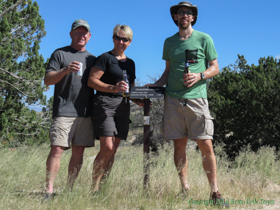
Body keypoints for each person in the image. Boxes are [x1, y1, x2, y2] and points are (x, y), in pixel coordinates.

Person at [145, 1, 228, 205]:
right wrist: (154, 86)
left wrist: (200, 76)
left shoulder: (204, 38)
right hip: (173, 99)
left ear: (193, 17)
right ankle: (184, 189)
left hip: (197, 98)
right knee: (179, 144)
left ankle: (215, 192)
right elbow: (167, 71)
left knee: (205, 143)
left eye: (188, 13)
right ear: (175, 17)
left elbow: (215, 67)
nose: (184, 15)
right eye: (180, 12)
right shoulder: (169, 42)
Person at [88, 24, 143, 193]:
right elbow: (92, 81)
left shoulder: (131, 63)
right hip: (105, 104)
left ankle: (103, 187)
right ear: (113, 39)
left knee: (114, 149)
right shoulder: (105, 58)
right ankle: (94, 188)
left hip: (123, 106)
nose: (121, 41)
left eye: (124, 39)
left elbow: (130, 88)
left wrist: (140, 101)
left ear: (130, 42)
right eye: (118, 38)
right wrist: (113, 88)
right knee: (107, 148)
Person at [44, 19, 95, 198]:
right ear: (71, 34)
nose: (81, 35)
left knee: (78, 151)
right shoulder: (60, 54)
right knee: (57, 150)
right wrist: (65, 70)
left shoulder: (92, 59)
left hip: (85, 112)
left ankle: (69, 190)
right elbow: (48, 80)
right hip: (64, 110)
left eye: (84, 33)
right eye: (77, 32)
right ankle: (49, 190)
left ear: (89, 36)